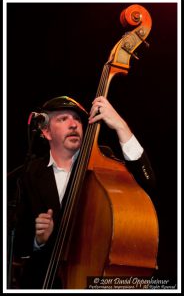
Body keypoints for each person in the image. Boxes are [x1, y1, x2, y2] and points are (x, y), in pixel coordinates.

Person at [12, 95, 156, 289]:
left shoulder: (105, 163)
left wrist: (121, 127)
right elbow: (18, 245)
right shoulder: (30, 173)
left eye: (77, 119)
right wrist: (38, 240)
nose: (73, 124)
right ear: (46, 131)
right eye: (63, 119)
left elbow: (147, 184)